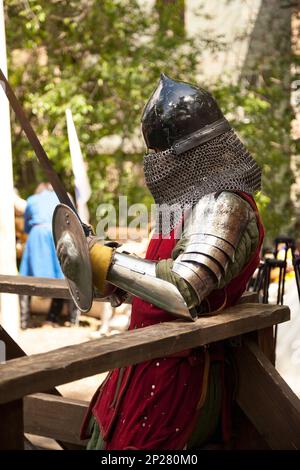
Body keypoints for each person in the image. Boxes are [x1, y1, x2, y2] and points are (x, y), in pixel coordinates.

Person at [57, 74, 264, 450]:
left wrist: (106, 261)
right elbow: (155, 273)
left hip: (178, 371)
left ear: (186, 152)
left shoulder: (223, 203)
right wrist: (97, 261)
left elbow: (182, 289)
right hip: (145, 359)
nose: (156, 164)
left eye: (161, 155)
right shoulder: (184, 205)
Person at [19, 182, 80, 328]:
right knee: (65, 276)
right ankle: (66, 319)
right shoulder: (64, 197)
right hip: (58, 235)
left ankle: (23, 321)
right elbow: (72, 220)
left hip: (37, 235)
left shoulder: (32, 199)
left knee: (24, 277)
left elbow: (26, 226)